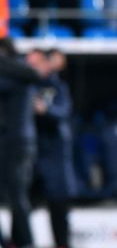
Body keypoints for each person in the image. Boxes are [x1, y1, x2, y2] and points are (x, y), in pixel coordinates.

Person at [0, 37, 49, 248]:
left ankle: (26, 242)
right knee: (15, 195)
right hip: (16, 142)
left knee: (18, 195)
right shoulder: (15, 74)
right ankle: (18, 241)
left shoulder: (18, 74)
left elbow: (35, 74)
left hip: (17, 143)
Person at [28, 48, 76, 248]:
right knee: (21, 204)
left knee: (58, 207)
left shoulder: (57, 86)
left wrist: (44, 109)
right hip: (30, 154)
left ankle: (62, 244)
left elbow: (64, 111)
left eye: (37, 62)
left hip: (53, 153)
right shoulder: (24, 86)